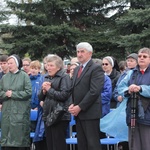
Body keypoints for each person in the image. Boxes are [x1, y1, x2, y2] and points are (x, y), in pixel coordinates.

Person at [68, 42, 104, 150]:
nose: (79, 54)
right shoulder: (77, 69)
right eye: (78, 51)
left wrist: (80, 107)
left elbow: (94, 91)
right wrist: (72, 104)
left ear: (90, 53)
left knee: (92, 144)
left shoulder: (96, 68)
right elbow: (73, 89)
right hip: (78, 114)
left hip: (90, 113)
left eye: (82, 51)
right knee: (82, 144)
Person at [117, 47, 150, 150]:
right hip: (132, 113)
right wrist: (129, 90)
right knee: (134, 145)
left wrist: (140, 89)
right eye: (140, 56)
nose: (141, 58)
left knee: (147, 144)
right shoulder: (132, 73)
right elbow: (120, 88)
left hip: (147, 115)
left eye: (145, 56)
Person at [38, 55, 71, 150]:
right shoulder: (47, 77)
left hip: (59, 115)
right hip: (48, 115)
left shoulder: (64, 77)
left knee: (58, 144)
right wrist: (43, 91)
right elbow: (40, 98)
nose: (48, 68)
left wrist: (49, 89)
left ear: (58, 67)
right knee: (50, 144)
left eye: (51, 65)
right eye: (47, 65)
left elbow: (64, 95)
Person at [0, 54, 32, 150]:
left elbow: (28, 92)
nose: (9, 65)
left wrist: (13, 94)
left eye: (11, 63)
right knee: (7, 138)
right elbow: (0, 92)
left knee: (19, 140)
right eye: (8, 63)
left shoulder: (24, 76)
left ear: (17, 64)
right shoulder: (4, 78)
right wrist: (6, 94)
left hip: (20, 112)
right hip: (7, 112)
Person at [29, 60, 47, 150]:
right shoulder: (28, 79)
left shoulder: (41, 79)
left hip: (38, 108)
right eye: (32, 68)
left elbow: (40, 95)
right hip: (29, 108)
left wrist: (37, 106)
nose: (33, 70)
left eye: (35, 68)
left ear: (39, 69)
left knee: (38, 131)